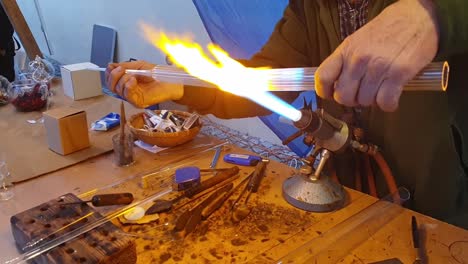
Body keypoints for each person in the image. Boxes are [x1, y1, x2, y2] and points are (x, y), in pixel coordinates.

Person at [107, 0, 468, 229]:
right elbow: (268, 79)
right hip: (357, 202)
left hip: (446, 210)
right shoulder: (311, 7)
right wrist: (184, 88)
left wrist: (434, 14)